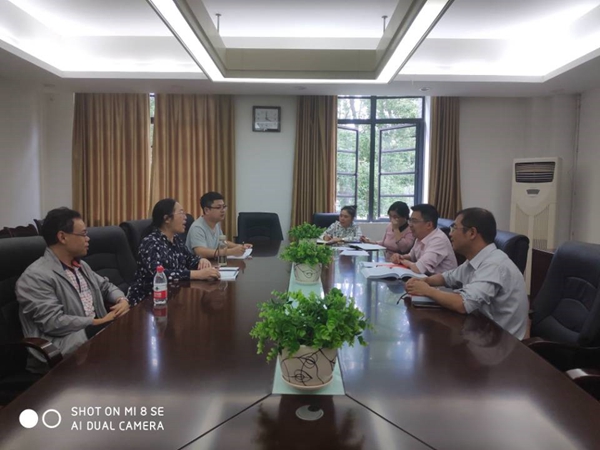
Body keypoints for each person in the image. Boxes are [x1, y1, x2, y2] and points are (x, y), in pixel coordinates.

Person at [16, 207, 130, 373]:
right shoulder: (35, 277)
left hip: (94, 336)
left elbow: (106, 287)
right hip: (63, 346)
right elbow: (53, 322)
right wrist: (97, 323)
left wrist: (122, 300)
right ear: (62, 237)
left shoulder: (80, 266)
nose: (88, 239)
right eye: (83, 234)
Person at [405, 208, 528, 339]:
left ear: (472, 233)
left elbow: (463, 304)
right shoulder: (476, 259)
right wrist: (425, 281)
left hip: (501, 343)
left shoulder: (495, 265)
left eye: (454, 228)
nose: (450, 234)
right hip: (481, 331)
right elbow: (447, 277)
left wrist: (427, 290)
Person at [128, 198, 220, 306]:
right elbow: (158, 274)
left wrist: (201, 260)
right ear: (167, 219)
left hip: (171, 297)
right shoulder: (151, 243)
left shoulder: (175, 239)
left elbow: (189, 259)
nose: (185, 217)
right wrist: (197, 274)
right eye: (181, 213)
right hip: (146, 301)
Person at [391, 203, 457, 274]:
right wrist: (400, 257)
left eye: (414, 221)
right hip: (427, 278)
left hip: (442, 281)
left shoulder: (439, 240)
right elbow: (412, 256)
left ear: (429, 225)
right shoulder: (421, 236)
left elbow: (418, 268)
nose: (410, 225)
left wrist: (401, 261)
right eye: (410, 220)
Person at [186, 192, 251, 259]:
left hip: (212, 262)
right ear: (206, 210)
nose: (223, 210)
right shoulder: (197, 228)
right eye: (218, 207)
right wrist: (231, 252)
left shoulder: (216, 224)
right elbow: (201, 252)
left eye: (224, 207)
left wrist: (239, 247)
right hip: (199, 264)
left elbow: (222, 242)